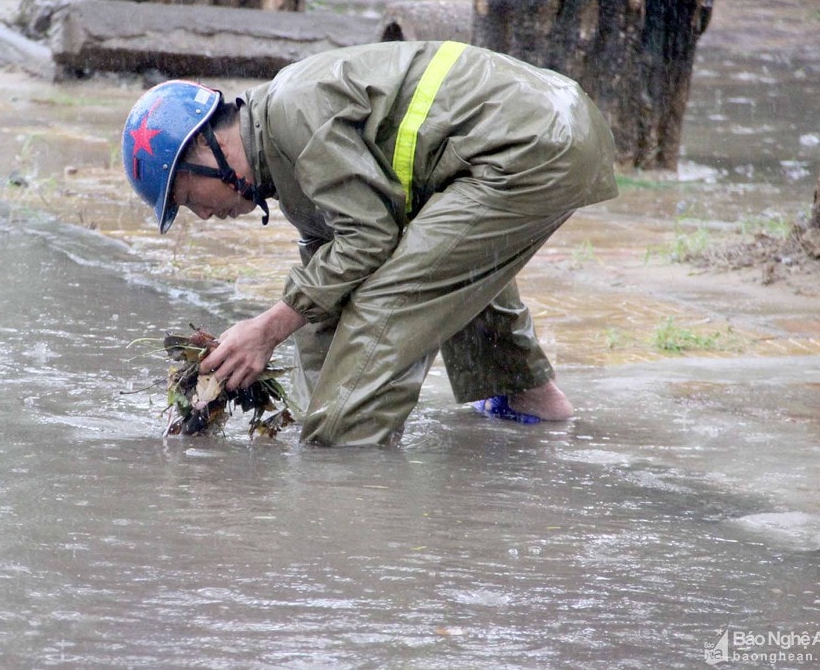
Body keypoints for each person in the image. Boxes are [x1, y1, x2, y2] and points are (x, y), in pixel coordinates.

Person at [121, 41, 618, 446]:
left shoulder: (296, 117)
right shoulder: (281, 146)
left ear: (207, 147)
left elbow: (369, 241)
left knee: (390, 300)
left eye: (190, 197)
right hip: (550, 123)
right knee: (444, 256)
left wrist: (272, 337)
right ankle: (526, 396)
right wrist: (297, 414)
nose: (204, 214)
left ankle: (350, 465)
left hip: (535, 142)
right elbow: (327, 297)